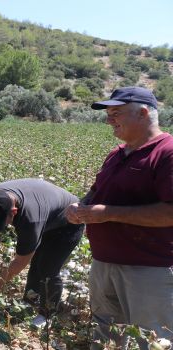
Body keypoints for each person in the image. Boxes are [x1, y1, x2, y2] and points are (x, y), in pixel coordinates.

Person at [65, 87, 173, 348]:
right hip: (103, 264)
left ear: (144, 113)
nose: (109, 119)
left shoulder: (167, 153)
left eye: (116, 113)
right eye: (108, 113)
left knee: (152, 339)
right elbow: (95, 191)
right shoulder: (116, 153)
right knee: (105, 333)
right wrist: (80, 206)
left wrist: (109, 214)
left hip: (148, 269)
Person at [0, 179, 84, 327]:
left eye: (6, 223)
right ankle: (29, 302)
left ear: (14, 212)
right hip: (48, 212)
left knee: (47, 268)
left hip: (69, 221)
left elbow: (21, 260)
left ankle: (47, 314)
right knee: (37, 265)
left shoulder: (30, 219)